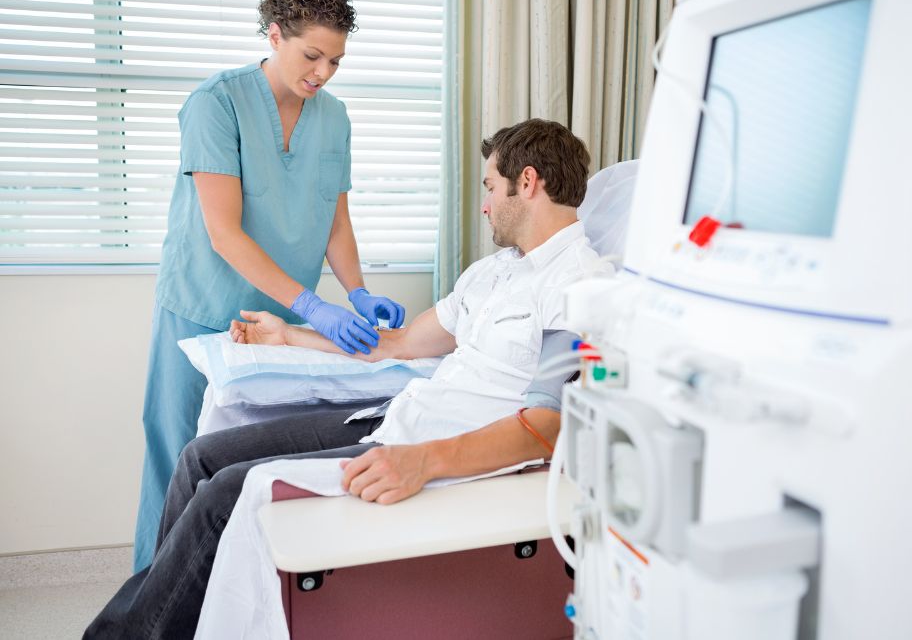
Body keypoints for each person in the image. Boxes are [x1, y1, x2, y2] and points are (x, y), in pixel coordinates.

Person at [86, 118, 610, 638]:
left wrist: (425, 460)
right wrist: (290, 335)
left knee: (222, 497)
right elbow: (399, 343)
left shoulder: (580, 284)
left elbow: (546, 425)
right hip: (399, 417)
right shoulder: (493, 272)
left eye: (491, 187)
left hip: (433, 447)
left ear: (527, 181)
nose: (485, 205)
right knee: (199, 457)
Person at [133, 0, 406, 572]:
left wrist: (357, 292)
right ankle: (152, 591)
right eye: (312, 56)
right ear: (275, 35)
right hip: (201, 303)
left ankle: (231, 593)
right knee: (178, 452)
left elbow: (335, 222)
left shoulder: (333, 118)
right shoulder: (216, 104)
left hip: (275, 319)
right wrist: (314, 306)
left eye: (336, 61)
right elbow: (224, 232)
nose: (323, 73)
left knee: (246, 460)